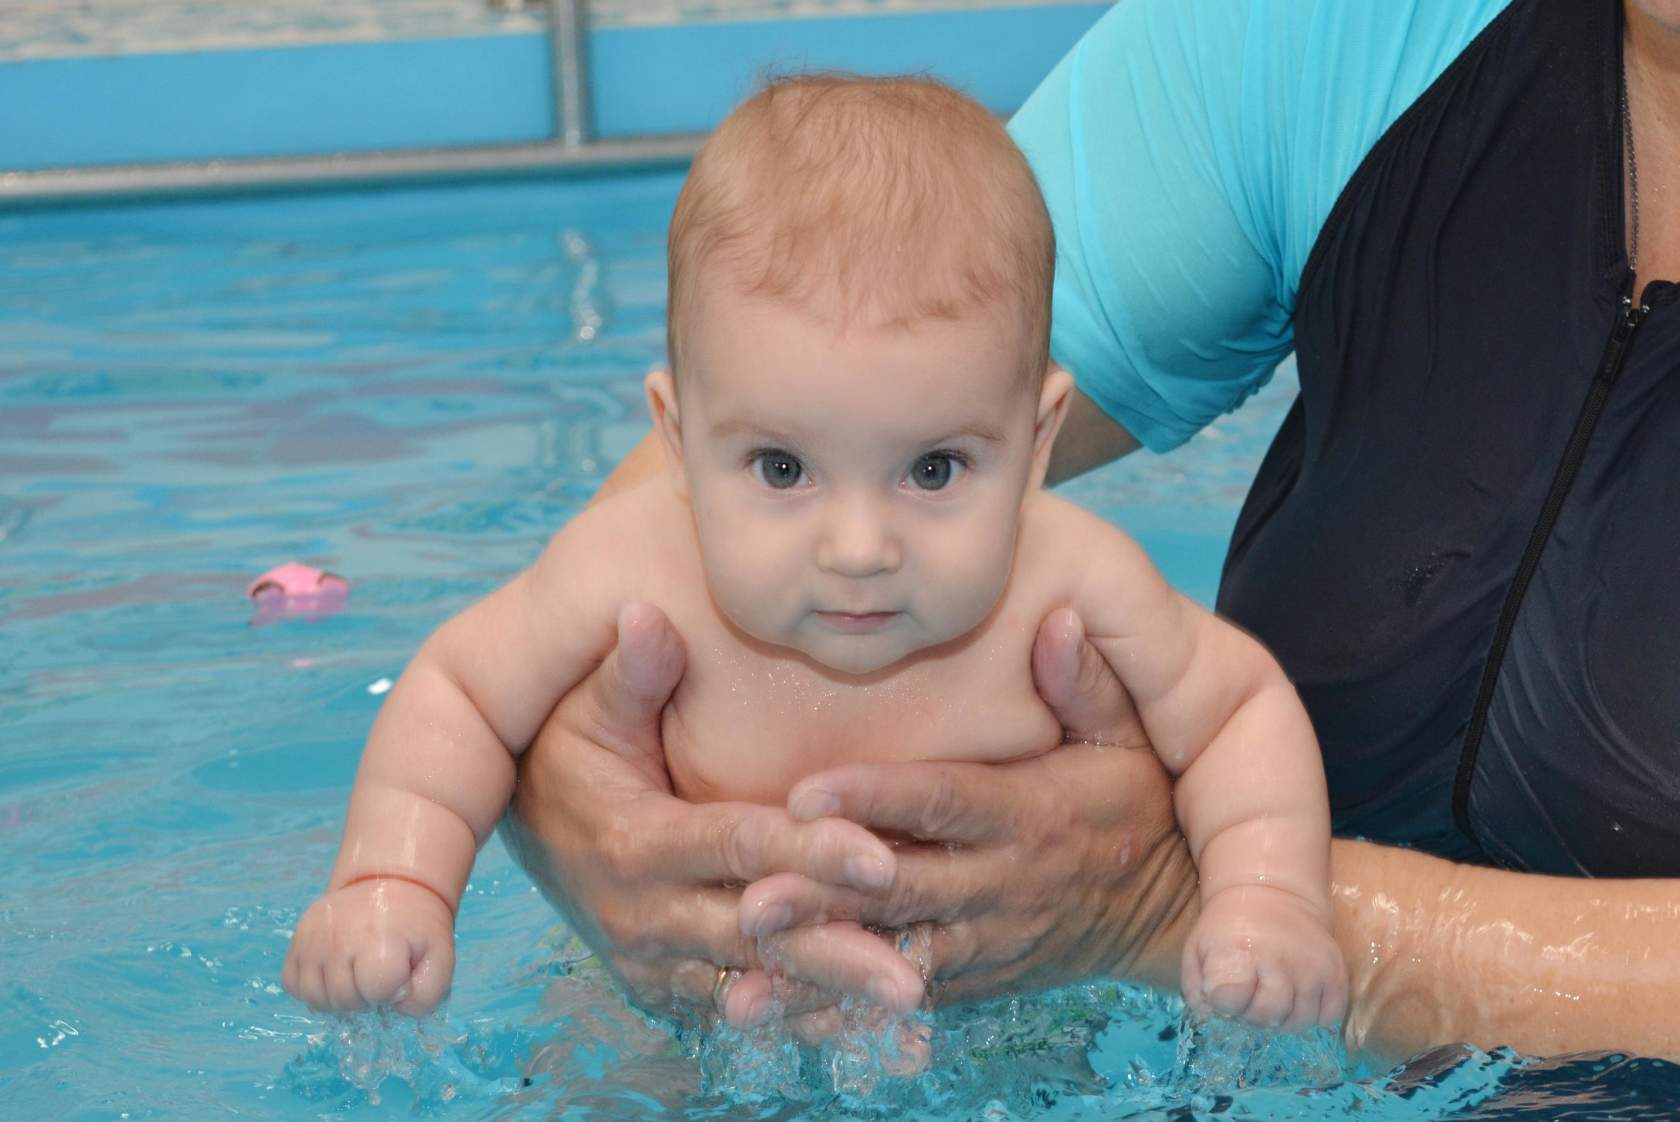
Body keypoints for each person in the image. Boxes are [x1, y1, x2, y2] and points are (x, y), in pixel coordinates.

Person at [502, 0, 1680, 1065]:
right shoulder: (1353, 32)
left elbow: (1178, 877)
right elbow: (696, 495)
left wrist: (1169, 907)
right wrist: (610, 832)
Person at [280, 75, 1347, 1031]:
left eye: (933, 470)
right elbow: (460, 695)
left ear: (1036, 441)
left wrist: (1266, 902)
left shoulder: (1069, 578)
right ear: (678, 440)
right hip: (680, 1023)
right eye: (782, 469)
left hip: (1002, 1023)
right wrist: (393, 885)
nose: (858, 547)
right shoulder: (632, 564)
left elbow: (1238, 714)